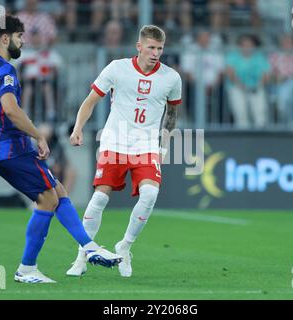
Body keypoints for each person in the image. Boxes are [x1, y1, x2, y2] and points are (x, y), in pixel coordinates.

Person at [0, 14, 121, 284]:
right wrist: (38, 136)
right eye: (18, 37)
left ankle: (89, 247)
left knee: (57, 190)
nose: (21, 42)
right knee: (47, 199)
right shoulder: (4, 70)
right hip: (11, 148)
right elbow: (11, 110)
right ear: (5, 38)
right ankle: (27, 268)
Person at [67, 25, 182, 278]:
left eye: (160, 48)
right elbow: (90, 101)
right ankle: (81, 257)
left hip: (147, 144)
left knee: (150, 194)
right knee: (99, 199)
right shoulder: (117, 68)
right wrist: (78, 129)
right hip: (114, 141)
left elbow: (171, 115)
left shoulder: (171, 78)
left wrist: (163, 146)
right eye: (151, 47)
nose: (155, 53)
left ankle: (125, 247)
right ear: (139, 46)